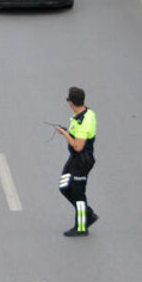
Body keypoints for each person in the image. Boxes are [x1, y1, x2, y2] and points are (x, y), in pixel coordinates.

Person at [55, 86, 97, 236]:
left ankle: (81, 227)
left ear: (71, 102)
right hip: (74, 159)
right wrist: (67, 130)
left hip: (82, 161)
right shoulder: (87, 113)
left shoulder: (83, 122)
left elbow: (78, 146)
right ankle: (88, 213)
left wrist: (64, 133)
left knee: (78, 194)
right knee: (64, 187)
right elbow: (77, 135)